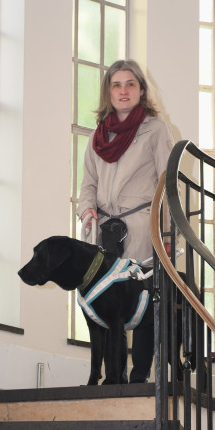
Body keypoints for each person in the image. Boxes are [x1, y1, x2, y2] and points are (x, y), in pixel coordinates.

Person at [77, 59, 174, 383]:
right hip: (104, 233)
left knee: (144, 303)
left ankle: (140, 375)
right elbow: (87, 184)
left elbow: (168, 182)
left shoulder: (156, 130)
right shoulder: (97, 135)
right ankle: (111, 376)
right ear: (108, 91)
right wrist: (87, 209)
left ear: (141, 90)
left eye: (130, 84)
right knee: (109, 303)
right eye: (116, 85)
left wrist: (169, 232)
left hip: (142, 230)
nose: (123, 91)